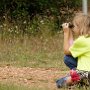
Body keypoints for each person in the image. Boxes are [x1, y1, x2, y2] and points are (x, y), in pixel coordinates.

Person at [56, 13, 90, 88]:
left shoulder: (82, 40)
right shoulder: (86, 39)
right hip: (87, 74)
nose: (73, 28)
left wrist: (66, 33)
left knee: (59, 82)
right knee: (68, 58)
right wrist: (70, 32)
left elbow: (66, 51)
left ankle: (76, 78)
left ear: (80, 27)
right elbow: (72, 47)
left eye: (74, 26)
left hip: (85, 74)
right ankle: (79, 80)